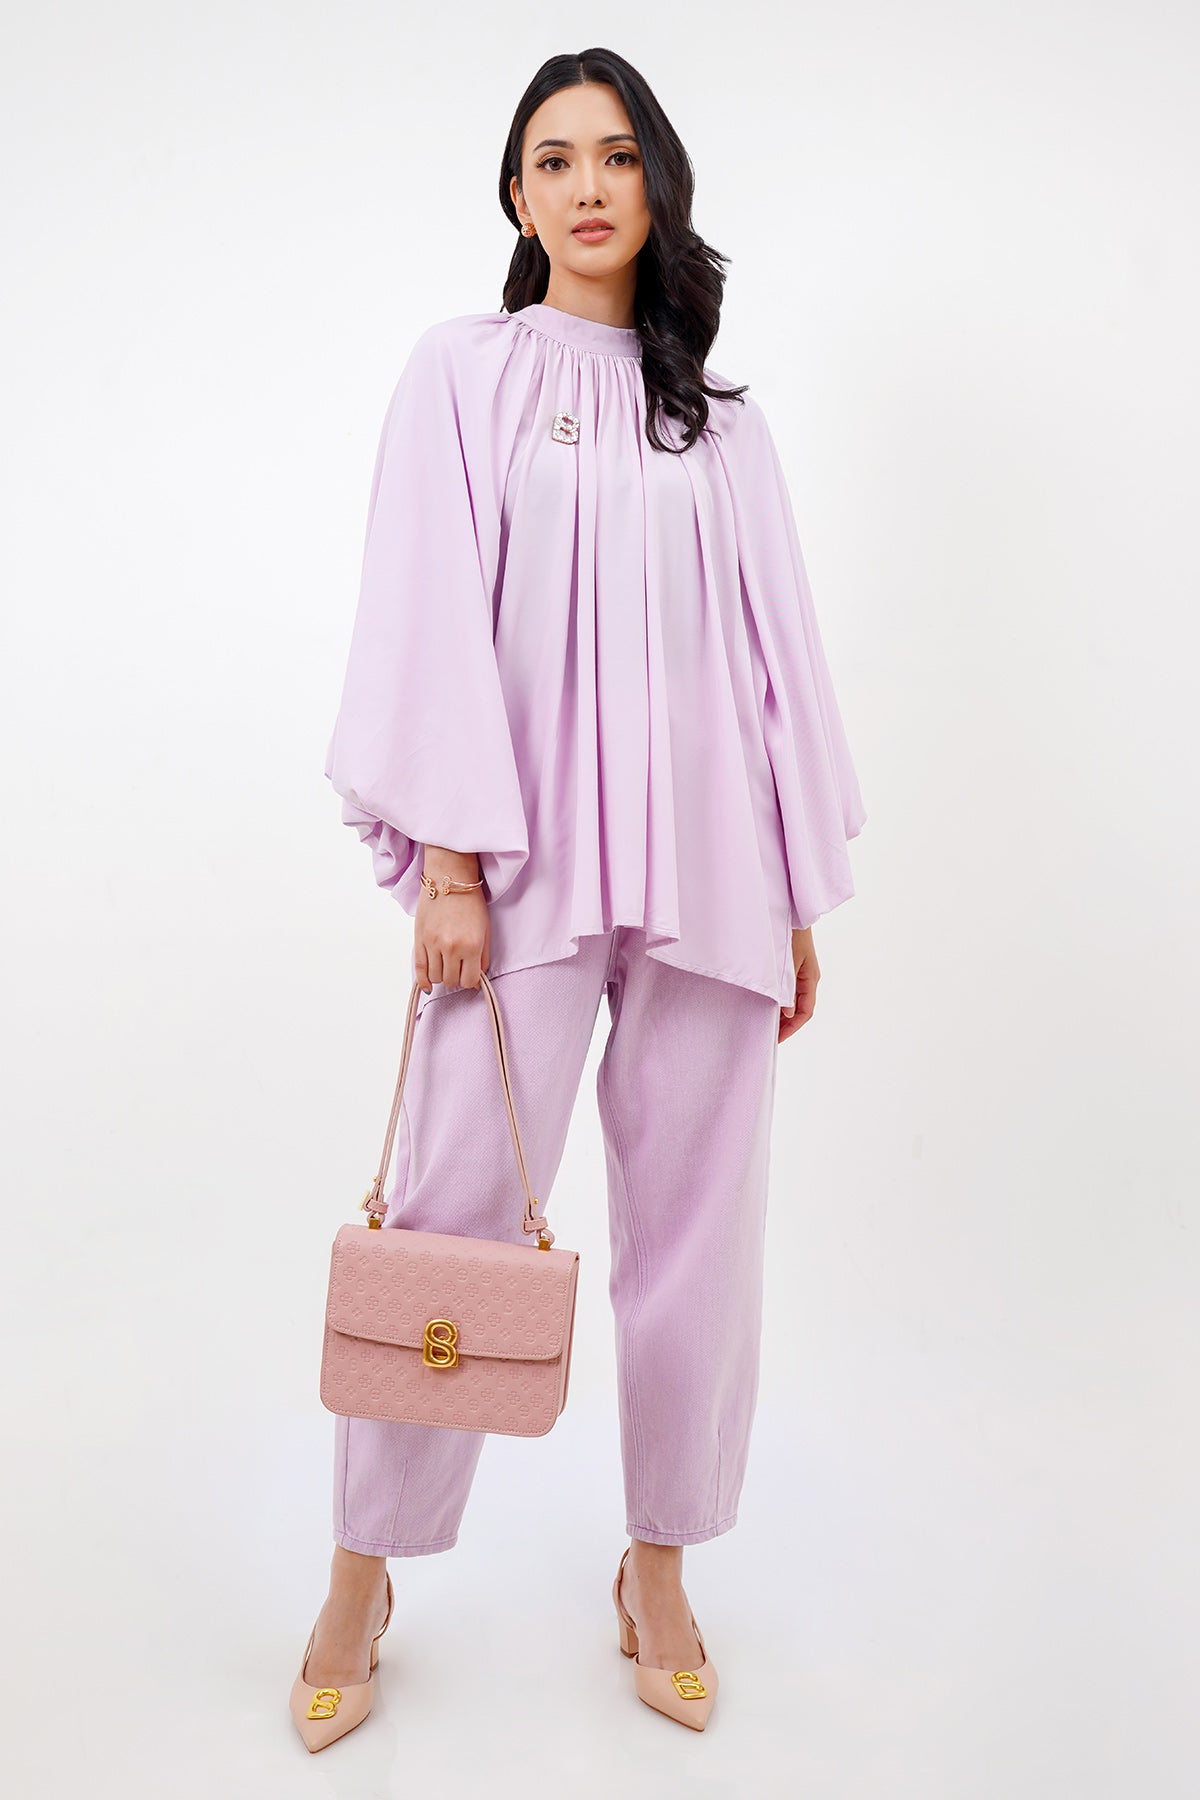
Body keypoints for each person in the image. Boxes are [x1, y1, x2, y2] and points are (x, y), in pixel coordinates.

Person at [291, 45, 866, 1750]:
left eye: (617, 155)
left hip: (715, 881)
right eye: (555, 159)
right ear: (517, 194)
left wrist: (793, 896)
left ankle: (659, 1568)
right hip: (521, 875)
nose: (589, 185)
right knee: (447, 1210)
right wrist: (449, 862)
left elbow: (772, 663)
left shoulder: (723, 424)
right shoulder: (463, 376)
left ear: (657, 185)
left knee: (698, 1242)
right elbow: (425, 608)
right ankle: (361, 1569)